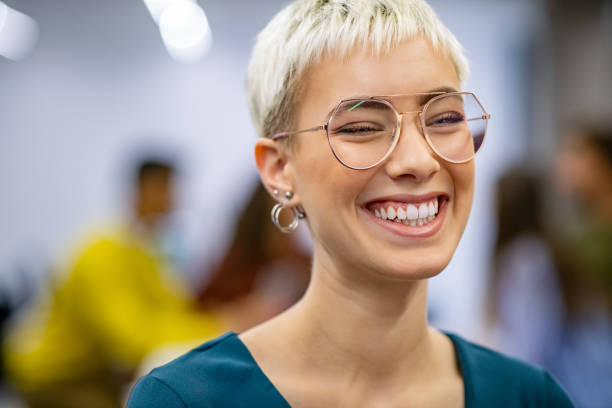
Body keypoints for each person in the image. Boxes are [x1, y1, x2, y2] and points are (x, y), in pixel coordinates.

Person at [128, 1, 573, 406]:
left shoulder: (529, 397)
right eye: (361, 128)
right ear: (281, 171)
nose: (418, 160)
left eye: (444, 118)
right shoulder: (187, 400)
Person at [3, 158, 225, 408]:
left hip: (97, 373)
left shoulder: (145, 251)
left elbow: (171, 311)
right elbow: (130, 338)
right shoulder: (102, 252)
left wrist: (218, 325)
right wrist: (217, 329)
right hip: (56, 377)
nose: (174, 199)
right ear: (141, 189)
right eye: (167, 188)